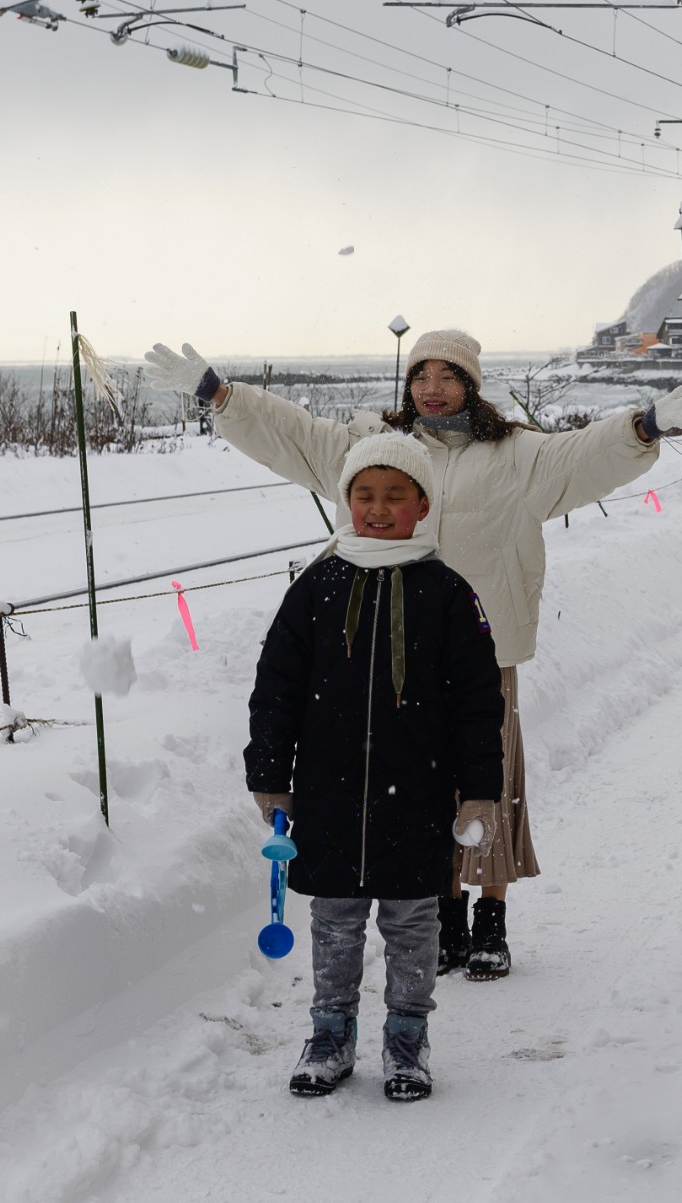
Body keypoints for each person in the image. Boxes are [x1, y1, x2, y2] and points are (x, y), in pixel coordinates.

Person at [150, 329, 682, 979]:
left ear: (471, 384)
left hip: (485, 646)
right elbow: (296, 434)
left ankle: (490, 919)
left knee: (488, 781)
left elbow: (582, 455)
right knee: (421, 786)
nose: (431, 387)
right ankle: (444, 913)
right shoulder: (380, 452)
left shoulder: (517, 455)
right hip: (394, 649)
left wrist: (644, 425)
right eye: (421, 374)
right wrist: (219, 393)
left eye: (447, 375)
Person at [244, 431, 505, 1102]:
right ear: (345, 500)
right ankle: (329, 1035)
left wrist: (478, 791)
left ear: (422, 504)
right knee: (333, 919)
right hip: (327, 794)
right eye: (365, 495)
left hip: (414, 793)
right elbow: (276, 685)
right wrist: (271, 773)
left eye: (395, 495)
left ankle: (407, 1040)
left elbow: (479, 702)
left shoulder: (447, 592)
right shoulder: (316, 586)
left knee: (414, 921)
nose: (379, 508)